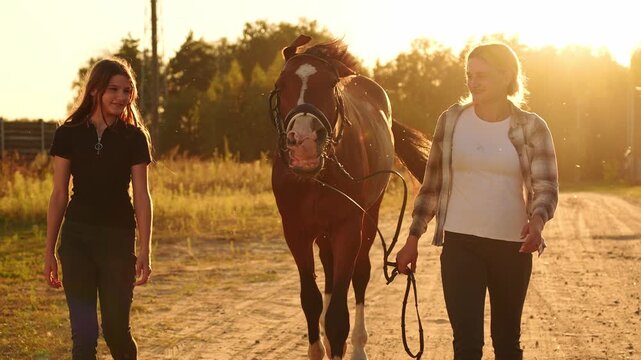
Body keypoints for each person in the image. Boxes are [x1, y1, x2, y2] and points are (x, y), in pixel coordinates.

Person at [396, 42, 558, 360]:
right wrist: (413, 238)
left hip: (512, 246)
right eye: (469, 75)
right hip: (460, 245)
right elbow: (431, 186)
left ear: (506, 75)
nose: (473, 82)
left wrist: (537, 221)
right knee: (467, 346)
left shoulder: (532, 127)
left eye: (482, 75)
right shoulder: (452, 121)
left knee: (507, 344)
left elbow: (546, 187)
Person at [43, 57, 153, 360]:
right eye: (113, 90)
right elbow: (58, 195)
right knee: (84, 336)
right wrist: (50, 249)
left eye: (126, 91)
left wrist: (144, 248)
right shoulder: (68, 134)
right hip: (77, 241)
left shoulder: (134, 138)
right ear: (95, 91)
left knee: (116, 332)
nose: (121, 97)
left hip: (118, 241)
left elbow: (142, 196)